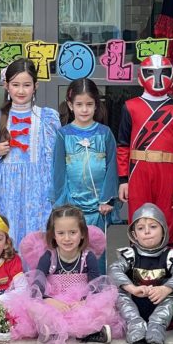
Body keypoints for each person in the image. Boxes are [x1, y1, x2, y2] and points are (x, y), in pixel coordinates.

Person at [7, 205, 122, 344]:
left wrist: (83, 302)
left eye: (73, 232)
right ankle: (56, 329)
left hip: (79, 304)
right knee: (33, 308)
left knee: (105, 306)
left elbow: (95, 286)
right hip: (54, 303)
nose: (67, 238)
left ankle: (86, 331)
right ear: (53, 235)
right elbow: (37, 288)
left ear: (82, 234)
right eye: (61, 233)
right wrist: (49, 300)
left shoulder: (88, 257)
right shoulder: (49, 257)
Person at [0, 58, 61, 244]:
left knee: (36, 238)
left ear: (35, 86)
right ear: (6, 86)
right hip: (6, 186)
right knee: (5, 234)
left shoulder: (46, 117)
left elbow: (53, 157)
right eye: (15, 85)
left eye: (26, 85)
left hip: (38, 187)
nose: (21, 90)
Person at [117, 55, 173, 245]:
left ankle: (169, 260)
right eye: (151, 73)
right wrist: (123, 180)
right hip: (138, 171)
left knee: (167, 219)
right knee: (139, 219)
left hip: (167, 173)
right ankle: (137, 258)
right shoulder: (130, 107)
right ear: (141, 77)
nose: (157, 78)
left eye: (163, 72)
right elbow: (123, 146)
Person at [109, 202, 173, 344]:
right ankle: (135, 324)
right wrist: (132, 289)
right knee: (117, 291)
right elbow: (114, 269)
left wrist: (165, 289)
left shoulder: (169, 255)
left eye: (153, 227)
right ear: (134, 234)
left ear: (163, 230)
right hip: (135, 303)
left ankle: (156, 326)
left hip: (159, 303)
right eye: (141, 228)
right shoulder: (131, 254)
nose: (147, 232)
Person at [52, 78, 120, 231]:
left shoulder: (105, 133)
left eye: (89, 104)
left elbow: (112, 167)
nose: (84, 109)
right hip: (71, 205)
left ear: (96, 105)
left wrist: (107, 200)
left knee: (96, 243)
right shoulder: (63, 134)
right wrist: (63, 202)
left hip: (99, 207)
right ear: (70, 105)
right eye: (79, 104)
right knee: (72, 242)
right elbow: (58, 171)